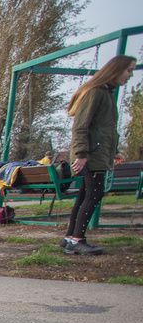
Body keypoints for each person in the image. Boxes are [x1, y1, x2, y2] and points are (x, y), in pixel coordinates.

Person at [61, 55, 136, 255]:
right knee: (94, 193)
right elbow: (81, 126)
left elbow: (105, 130)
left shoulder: (105, 93)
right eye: (128, 70)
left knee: (86, 194)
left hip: (96, 152)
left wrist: (114, 152)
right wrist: (81, 153)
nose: (130, 75)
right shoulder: (95, 93)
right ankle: (77, 239)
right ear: (115, 70)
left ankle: (71, 237)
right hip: (90, 154)